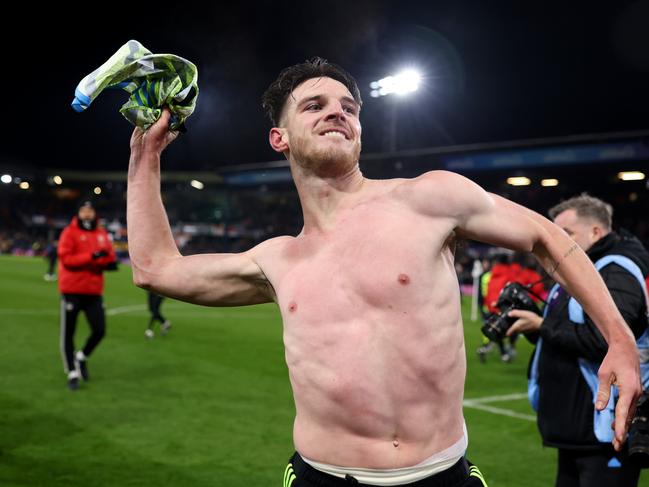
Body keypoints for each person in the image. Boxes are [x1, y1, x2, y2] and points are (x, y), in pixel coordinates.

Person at [126, 58, 641, 486]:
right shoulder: (276, 259)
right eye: (315, 105)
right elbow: (156, 269)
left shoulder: (428, 198)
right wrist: (145, 156)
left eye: (348, 108)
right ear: (278, 139)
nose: (337, 113)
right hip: (322, 475)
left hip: (441, 473)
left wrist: (618, 339)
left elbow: (548, 236)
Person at [507, 194, 649, 487]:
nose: (557, 241)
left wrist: (544, 325)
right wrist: (535, 328)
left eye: (566, 234)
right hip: (578, 429)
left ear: (596, 232)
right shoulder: (586, 269)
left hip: (604, 429)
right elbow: (571, 336)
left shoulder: (615, 270)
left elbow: (607, 341)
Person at [58, 200, 117, 390]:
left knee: (100, 331)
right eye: (83, 210)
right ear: (78, 212)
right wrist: (92, 257)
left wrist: (105, 261)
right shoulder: (69, 232)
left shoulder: (101, 233)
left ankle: (81, 357)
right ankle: (72, 373)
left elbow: (109, 256)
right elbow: (66, 259)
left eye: (90, 210)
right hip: (72, 290)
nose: (87, 214)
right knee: (69, 333)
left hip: (93, 291)